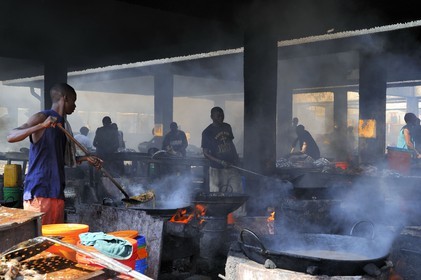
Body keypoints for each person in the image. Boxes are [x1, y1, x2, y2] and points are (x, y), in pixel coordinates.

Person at [7, 83, 102, 225]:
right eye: (73, 101)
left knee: (55, 242)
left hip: (56, 193)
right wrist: (41, 126)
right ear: (65, 98)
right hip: (39, 192)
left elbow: (60, 159)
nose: (75, 106)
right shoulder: (41, 117)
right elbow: (11, 136)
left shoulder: (63, 126)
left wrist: (85, 158)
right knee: (39, 241)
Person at [201, 106, 245, 217]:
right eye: (218, 115)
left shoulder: (227, 127)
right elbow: (206, 153)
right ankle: (218, 220)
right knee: (217, 196)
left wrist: (237, 160)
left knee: (237, 193)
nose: (221, 117)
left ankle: (239, 219)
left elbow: (231, 144)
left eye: (222, 115)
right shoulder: (207, 132)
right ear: (212, 117)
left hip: (232, 167)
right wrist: (220, 161)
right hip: (217, 170)